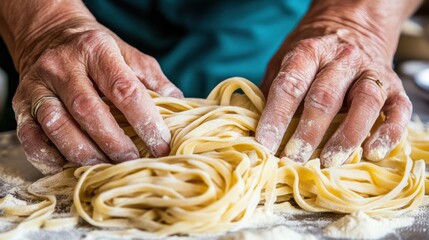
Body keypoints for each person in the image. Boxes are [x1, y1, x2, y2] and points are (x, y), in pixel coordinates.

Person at [0, 0, 421, 175]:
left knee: (295, 117)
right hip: (69, 32)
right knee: (60, 131)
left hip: (264, 24)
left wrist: (359, 19)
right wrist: (44, 23)